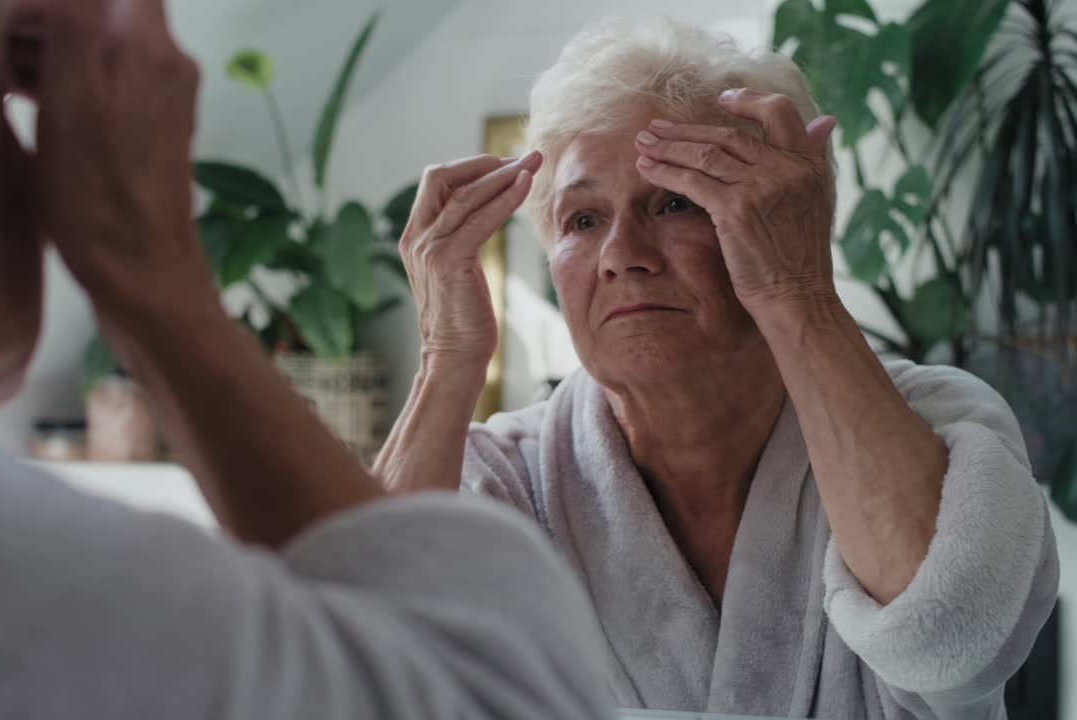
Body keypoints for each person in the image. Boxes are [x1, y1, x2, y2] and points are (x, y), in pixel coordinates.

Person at [0, 0, 611, 717]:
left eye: (676, 205)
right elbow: (504, 698)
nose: (625, 255)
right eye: (5, 122)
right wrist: (143, 259)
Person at [376, 15, 1059, 719]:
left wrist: (799, 292)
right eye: (581, 220)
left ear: (778, 221)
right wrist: (446, 357)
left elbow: (950, 638)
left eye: (675, 201)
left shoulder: (939, 427)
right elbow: (353, 661)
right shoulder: (511, 479)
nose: (620, 253)